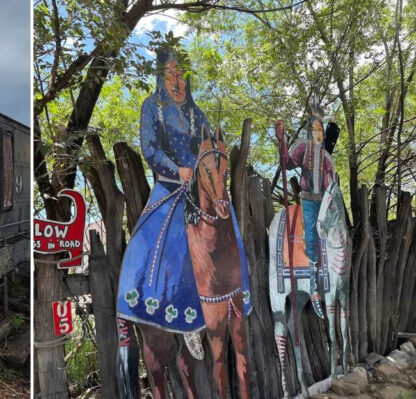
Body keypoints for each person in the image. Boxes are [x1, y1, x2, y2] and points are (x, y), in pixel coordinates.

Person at [115, 48, 252, 335]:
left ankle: (235, 299)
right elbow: (150, 148)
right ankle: (148, 309)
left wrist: (206, 172)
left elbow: (208, 148)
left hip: (202, 188)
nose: (177, 82)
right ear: (160, 77)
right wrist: (176, 170)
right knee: (149, 242)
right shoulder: (151, 107)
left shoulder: (196, 113)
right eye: (170, 75)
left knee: (231, 231)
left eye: (181, 76)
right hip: (170, 186)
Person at [278, 104, 337, 319]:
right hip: (309, 201)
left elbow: (332, 183)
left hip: (325, 202)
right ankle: (314, 289)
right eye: (314, 129)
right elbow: (287, 163)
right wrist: (282, 141)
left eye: (320, 130)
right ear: (309, 132)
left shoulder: (327, 158)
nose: (318, 133)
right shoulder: (303, 148)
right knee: (311, 240)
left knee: (332, 238)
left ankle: (331, 280)